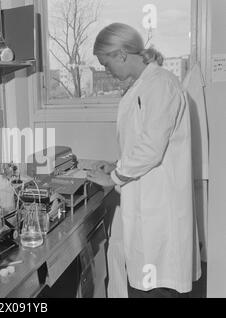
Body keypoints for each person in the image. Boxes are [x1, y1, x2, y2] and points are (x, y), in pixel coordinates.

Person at [87, 23, 201, 298]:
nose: (106, 71)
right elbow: (143, 142)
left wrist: (112, 178)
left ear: (122, 54)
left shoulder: (161, 84)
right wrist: (116, 165)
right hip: (147, 203)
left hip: (160, 210)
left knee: (156, 288)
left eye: (106, 63)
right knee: (144, 284)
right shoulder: (143, 86)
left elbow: (151, 148)